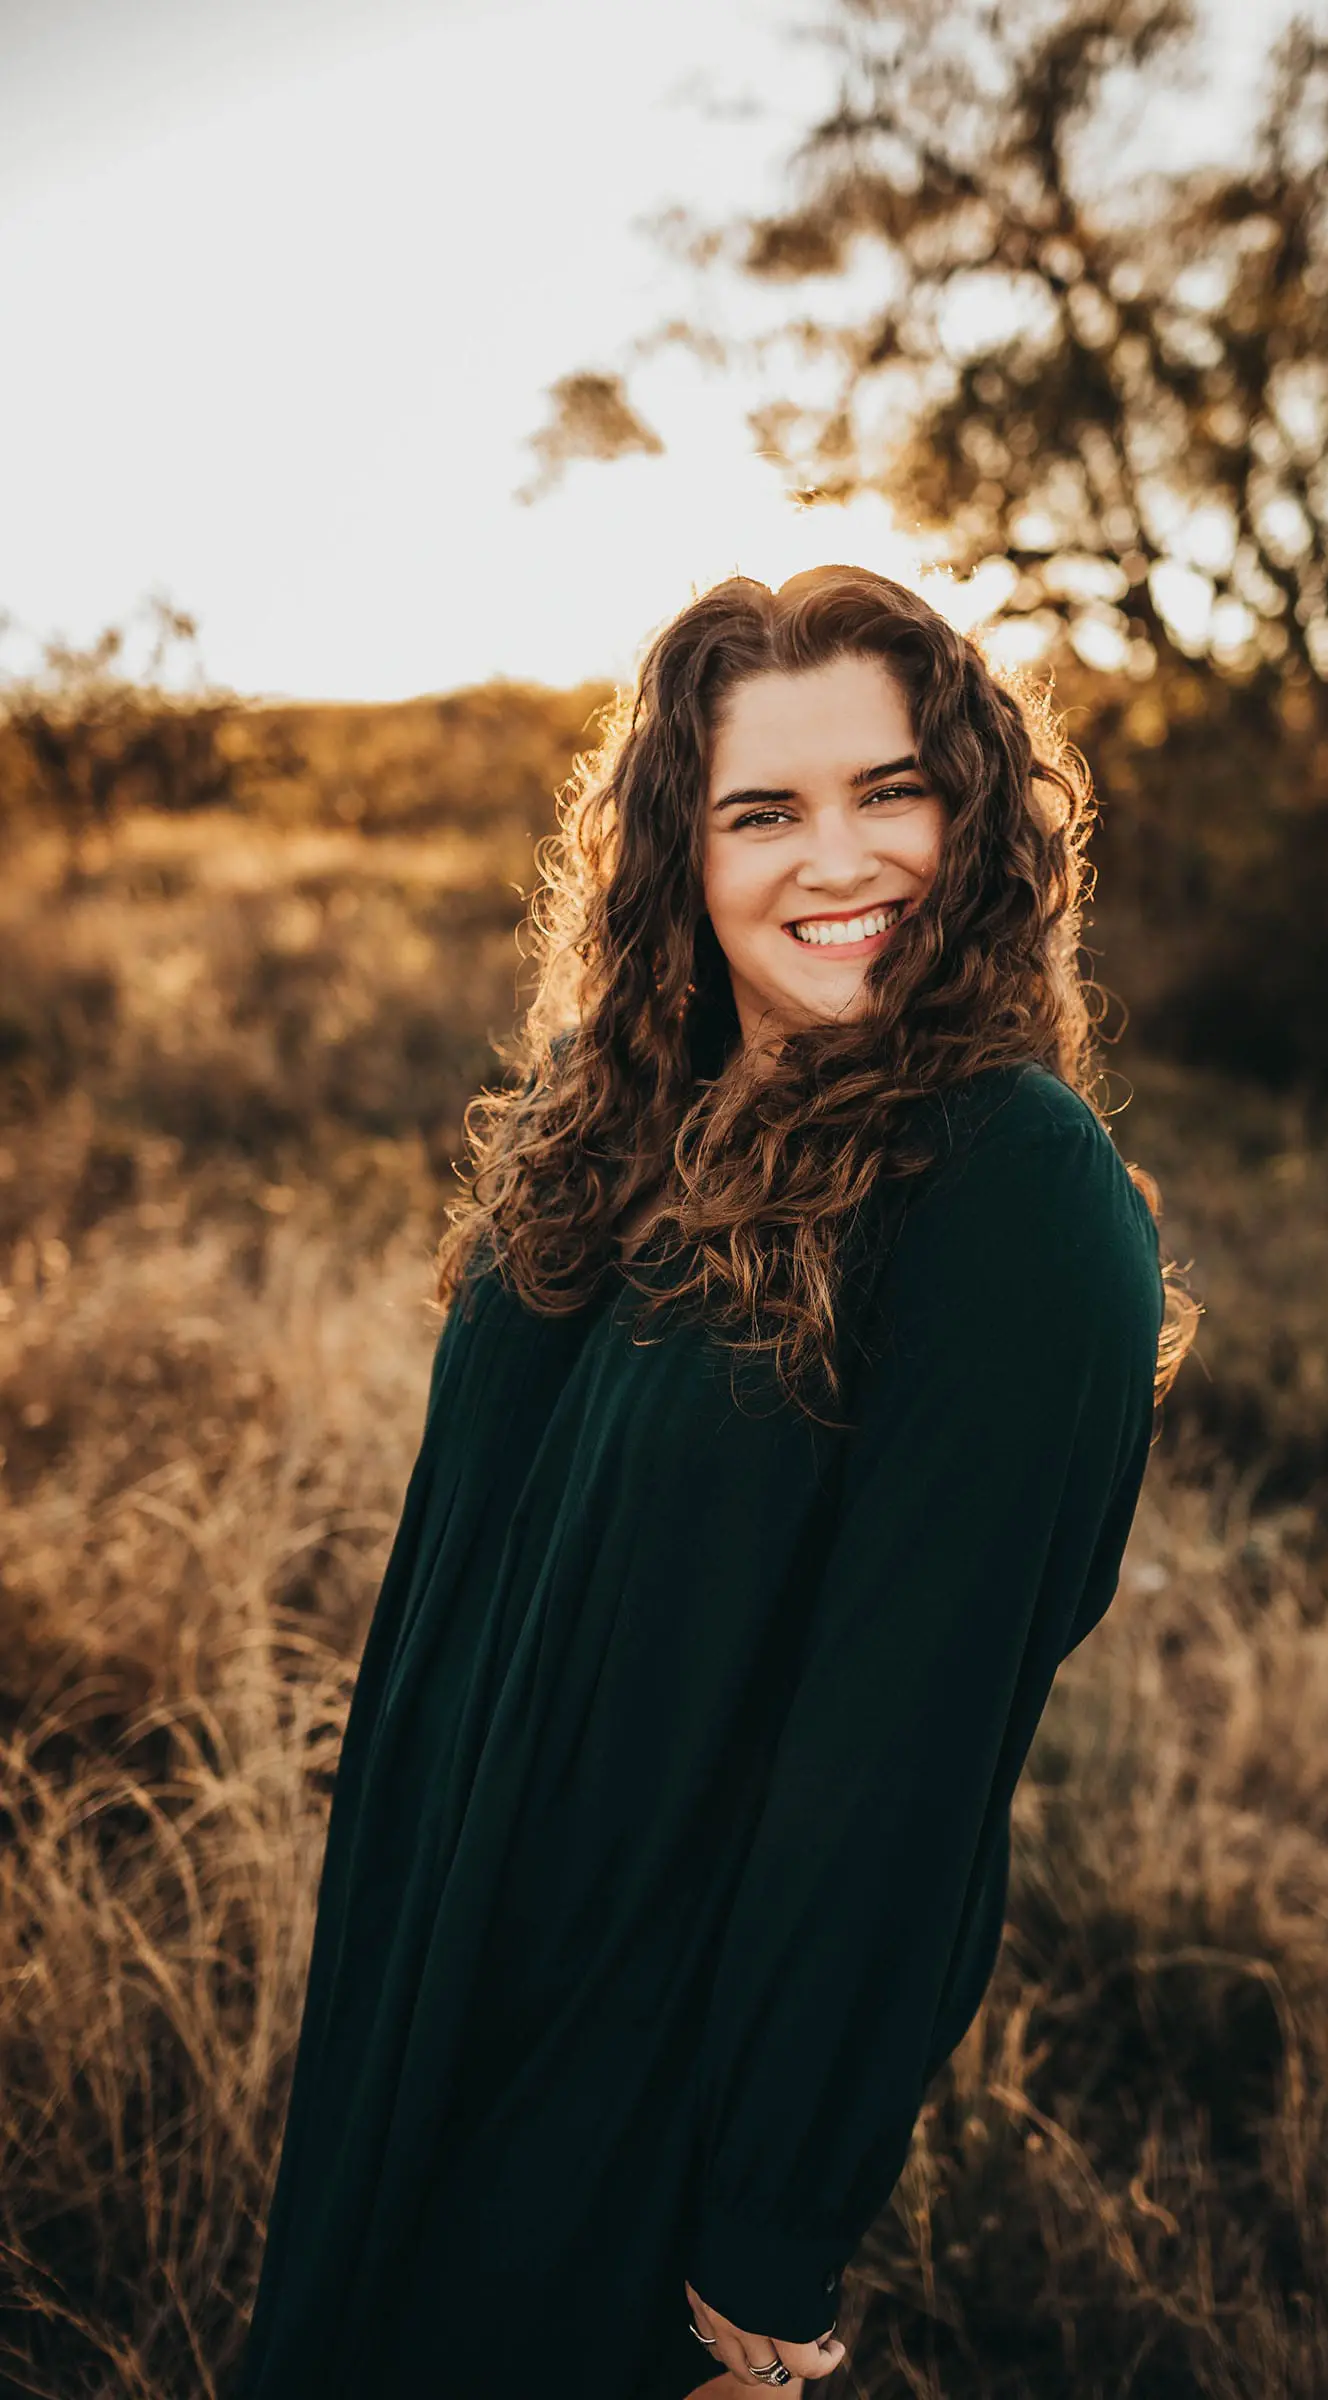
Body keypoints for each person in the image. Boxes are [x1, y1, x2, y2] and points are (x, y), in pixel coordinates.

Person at [236, 564, 1195, 2400]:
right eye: (767, 810)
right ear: (682, 849)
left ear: (974, 817)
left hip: (640, 2073)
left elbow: (913, 1747)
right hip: (431, 1982)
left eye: (890, 791)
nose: (841, 862)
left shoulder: (1005, 1180)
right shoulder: (624, 1128)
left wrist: (773, 2204)